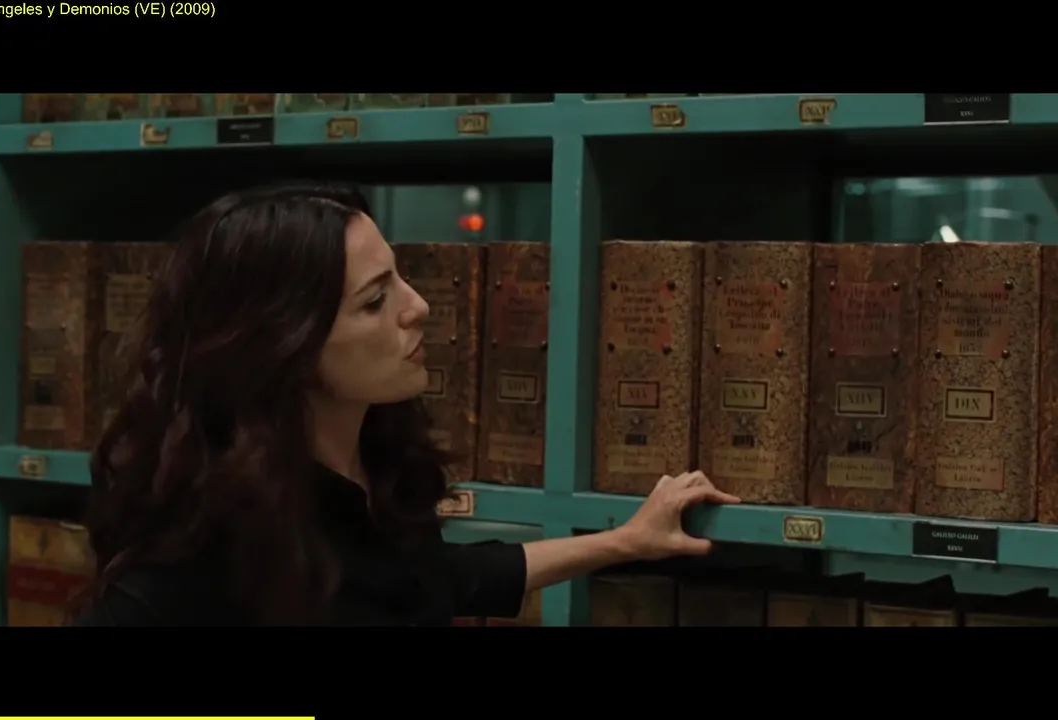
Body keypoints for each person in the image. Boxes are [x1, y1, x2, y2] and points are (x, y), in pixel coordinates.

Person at [73, 181, 739, 626]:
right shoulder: (192, 562)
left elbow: (437, 577)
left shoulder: (375, 469)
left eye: (400, 279)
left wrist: (625, 541)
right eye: (375, 300)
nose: (418, 307)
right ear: (286, 347)